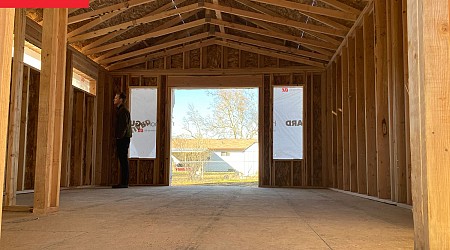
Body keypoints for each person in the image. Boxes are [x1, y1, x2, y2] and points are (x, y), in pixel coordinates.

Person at [113, 92, 132, 188]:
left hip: (123, 138)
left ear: (121, 100)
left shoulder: (123, 111)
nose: (114, 99)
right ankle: (123, 182)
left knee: (123, 159)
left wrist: (119, 136)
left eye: (116, 98)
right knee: (122, 159)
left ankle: (124, 183)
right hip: (123, 137)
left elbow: (124, 125)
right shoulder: (121, 110)